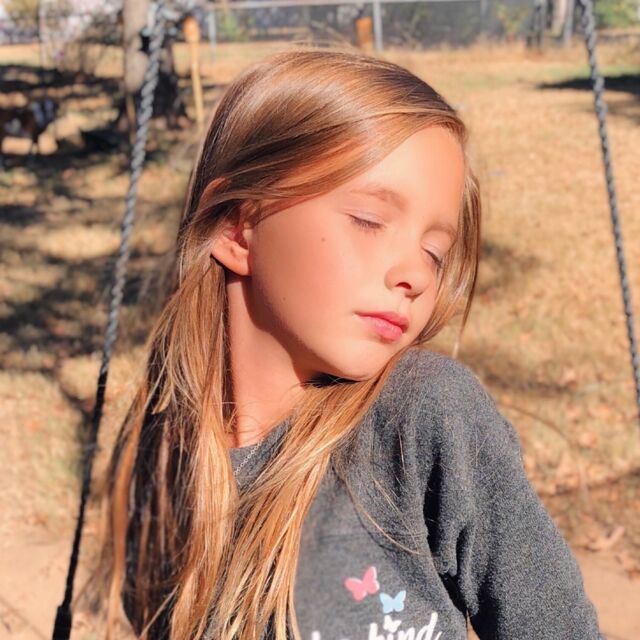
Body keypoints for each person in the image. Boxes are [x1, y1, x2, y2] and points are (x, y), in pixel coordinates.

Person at [95, 46, 604, 640]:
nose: (414, 274)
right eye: (368, 220)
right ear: (238, 226)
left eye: (434, 252)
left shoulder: (424, 417)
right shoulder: (159, 452)